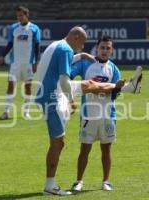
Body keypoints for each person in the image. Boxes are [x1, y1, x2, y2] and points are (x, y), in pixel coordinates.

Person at [70, 36, 143, 192]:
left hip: (108, 115)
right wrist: (80, 56)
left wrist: (116, 89)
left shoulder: (114, 68)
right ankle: (78, 181)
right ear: (97, 48)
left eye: (108, 48)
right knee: (85, 149)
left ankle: (106, 181)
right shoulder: (85, 64)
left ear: (112, 50)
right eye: (102, 47)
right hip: (88, 115)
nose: (104, 50)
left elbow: (115, 95)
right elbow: (69, 75)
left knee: (106, 149)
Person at [34, 26, 89, 196]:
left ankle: (50, 184)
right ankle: (50, 185)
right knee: (58, 143)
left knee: (58, 142)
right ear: (77, 38)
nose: (83, 47)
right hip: (51, 98)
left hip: (46, 95)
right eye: (83, 44)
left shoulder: (57, 45)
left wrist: (81, 56)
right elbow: (64, 81)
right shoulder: (65, 49)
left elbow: (61, 61)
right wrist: (72, 101)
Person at [0, 5, 41, 120]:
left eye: (21, 15)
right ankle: (6, 112)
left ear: (27, 15)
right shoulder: (13, 28)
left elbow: (37, 46)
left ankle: (26, 113)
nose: (19, 18)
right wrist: (2, 56)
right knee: (10, 85)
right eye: (17, 16)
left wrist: (36, 62)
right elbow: (10, 44)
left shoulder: (34, 29)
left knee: (28, 87)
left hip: (29, 63)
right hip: (15, 63)